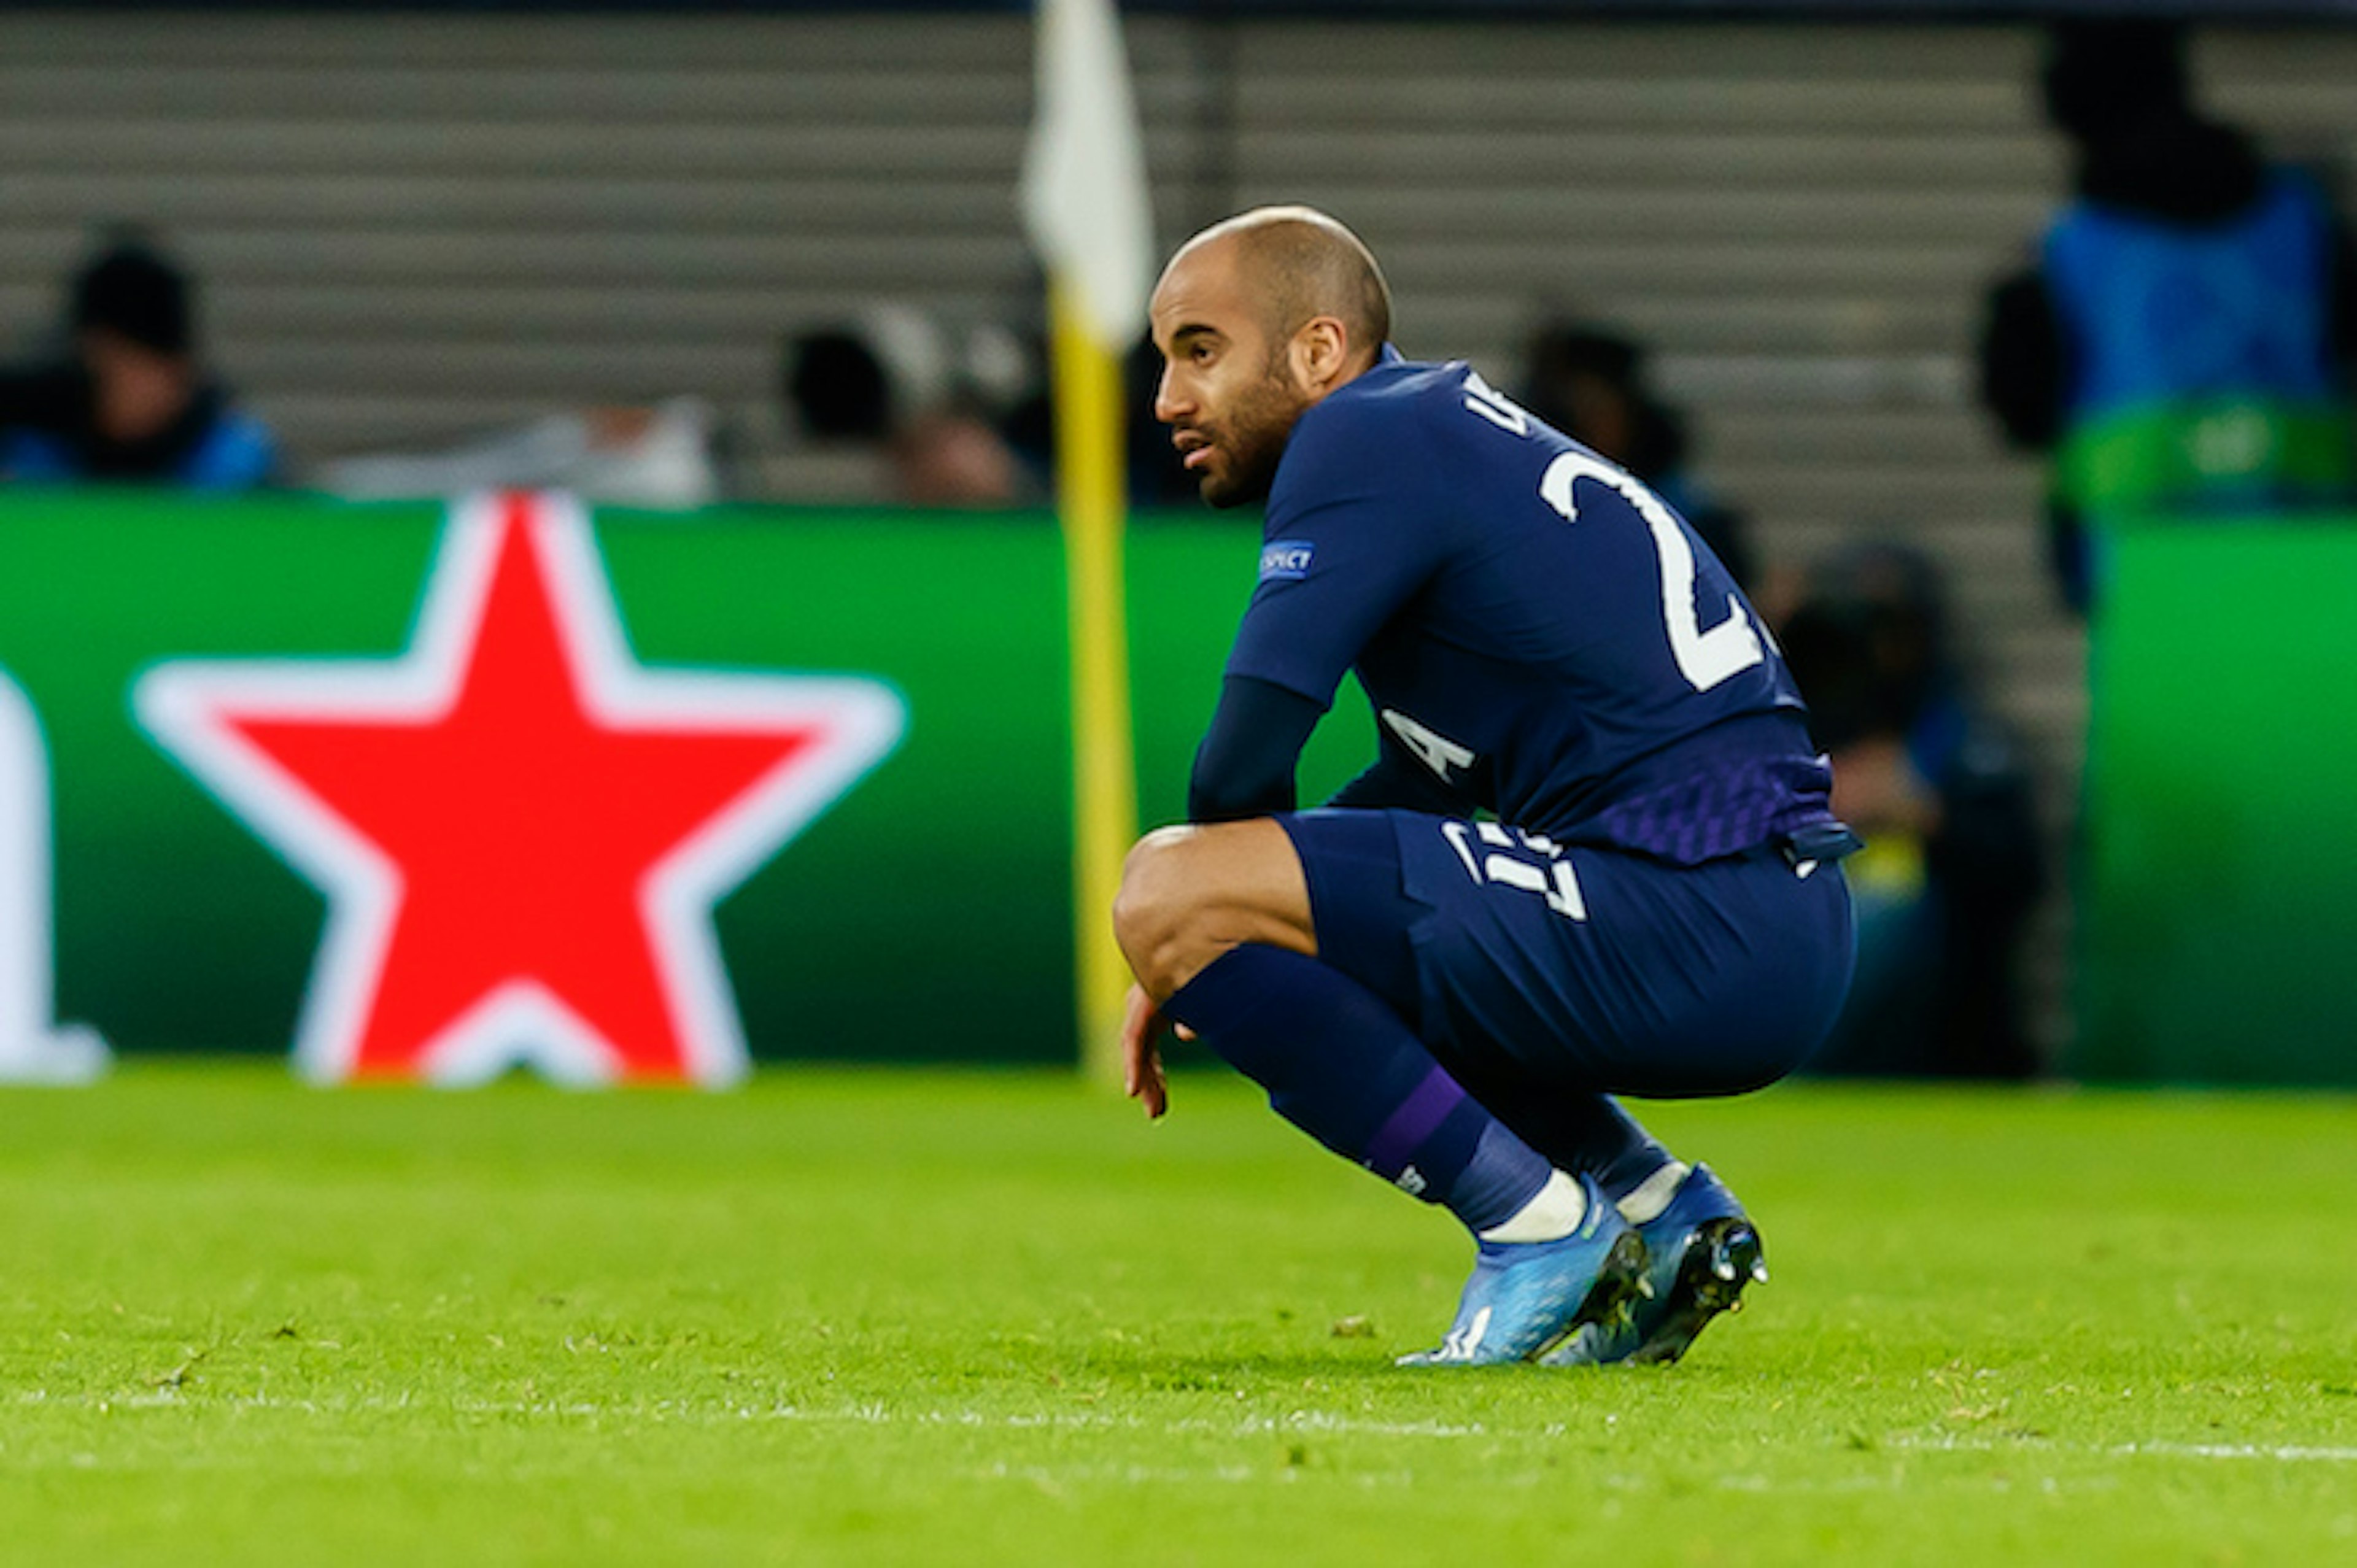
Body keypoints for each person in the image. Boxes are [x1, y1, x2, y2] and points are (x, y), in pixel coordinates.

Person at [1112, 207, 1858, 1369]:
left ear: (1317, 352)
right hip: (1764, 914)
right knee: (1267, 904)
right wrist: (1231, 918)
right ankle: (1658, 1210)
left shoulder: (1357, 441)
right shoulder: (1441, 435)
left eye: (1199, 350)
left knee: (1166, 881)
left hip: (1693, 907)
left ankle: (1537, 1230)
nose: (1166, 398)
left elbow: (1240, 761)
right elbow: (1421, 790)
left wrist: (1191, 916)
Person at [1976, 19, 2357, 614]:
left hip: (2136, 583)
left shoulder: (2068, 255)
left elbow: (2019, 407)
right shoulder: (2308, 227)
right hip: (2310, 571)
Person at [1775, 543, 2046, 1080]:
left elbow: (2018, 870)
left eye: (1886, 627)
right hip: (1808, 943)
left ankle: (1784, 1066)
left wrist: (1926, 813)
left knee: (1890, 915)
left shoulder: (1962, 738)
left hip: (1941, 1004)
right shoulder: (1790, 726)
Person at [0, 238, 277, 489]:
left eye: (124, 366)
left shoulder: (237, 471)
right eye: (94, 366)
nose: (106, 387)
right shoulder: (38, 457)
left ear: (177, 370)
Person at [1519, 320, 1759, 590]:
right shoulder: (1527, 523)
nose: (1593, 426)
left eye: (1600, 410)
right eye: (1579, 412)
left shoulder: (1693, 521)